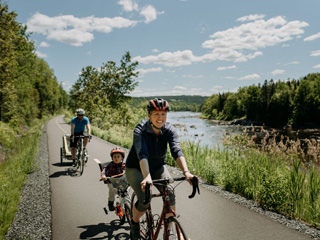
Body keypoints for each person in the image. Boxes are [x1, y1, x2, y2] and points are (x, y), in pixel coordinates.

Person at [125, 98, 196, 240]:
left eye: (163, 114)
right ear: (149, 115)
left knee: (170, 192)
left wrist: (186, 172)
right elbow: (142, 153)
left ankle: (169, 231)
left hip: (157, 166)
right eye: (156, 114)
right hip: (136, 167)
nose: (160, 118)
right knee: (144, 200)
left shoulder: (169, 130)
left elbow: (176, 150)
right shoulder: (140, 130)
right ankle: (134, 223)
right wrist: (146, 176)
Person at [100, 147, 126, 211]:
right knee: (113, 189)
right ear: (112, 158)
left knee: (126, 189)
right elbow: (104, 170)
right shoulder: (110, 165)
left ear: (122, 158)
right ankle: (110, 203)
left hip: (121, 181)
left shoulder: (124, 165)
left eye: (118, 157)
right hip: (111, 181)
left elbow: (129, 170)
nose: (116, 158)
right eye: (114, 157)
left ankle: (126, 203)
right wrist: (103, 175)